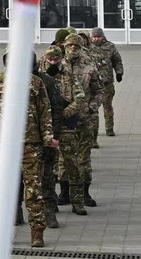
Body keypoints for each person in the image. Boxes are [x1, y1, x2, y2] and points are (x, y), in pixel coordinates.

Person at [0, 51, 54, 248]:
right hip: (5, 146)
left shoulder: (36, 83)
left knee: (33, 191)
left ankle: (37, 232)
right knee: (4, 192)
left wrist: (47, 142)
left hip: (31, 145)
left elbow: (45, 113)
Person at [43, 45, 87, 215]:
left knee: (73, 165)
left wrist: (65, 113)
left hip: (66, 126)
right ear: (45, 59)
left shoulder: (68, 76)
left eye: (56, 59)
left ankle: (77, 202)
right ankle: (51, 202)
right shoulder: (40, 78)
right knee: (49, 168)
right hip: (47, 127)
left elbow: (80, 97)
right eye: (50, 59)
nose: (53, 62)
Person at [63, 33, 101, 209]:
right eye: (70, 46)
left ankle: (85, 193)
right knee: (63, 159)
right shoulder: (56, 65)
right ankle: (64, 192)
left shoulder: (89, 67)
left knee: (84, 158)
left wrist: (92, 107)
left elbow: (99, 91)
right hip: (64, 121)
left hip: (85, 119)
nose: (73, 49)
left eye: (76, 46)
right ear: (64, 47)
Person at [35, 48, 66, 229]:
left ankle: (49, 213)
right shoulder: (3, 81)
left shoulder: (46, 81)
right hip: (16, 141)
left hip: (43, 137)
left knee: (46, 177)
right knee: (17, 181)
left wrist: (54, 136)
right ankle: (15, 213)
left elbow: (56, 109)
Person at [89, 28, 123, 138]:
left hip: (107, 83)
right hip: (93, 84)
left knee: (107, 106)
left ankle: (109, 128)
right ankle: (93, 131)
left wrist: (119, 72)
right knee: (93, 109)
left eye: (98, 37)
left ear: (102, 37)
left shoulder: (110, 46)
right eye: (94, 37)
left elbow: (117, 61)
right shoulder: (88, 47)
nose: (96, 39)